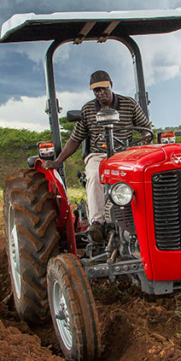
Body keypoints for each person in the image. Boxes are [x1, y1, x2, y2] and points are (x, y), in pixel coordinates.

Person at [43, 70, 152, 237]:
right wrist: (57, 161)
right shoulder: (87, 109)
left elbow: (145, 129)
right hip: (98, 155)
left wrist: (144, 144)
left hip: (125, 154)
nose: (101, 93)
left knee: (143, 175)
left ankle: (147, 218)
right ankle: (98, 223)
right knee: (94, 175)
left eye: (104, 88)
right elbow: (75, 139)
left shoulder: (129, 104)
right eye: (96, 90)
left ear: (111, 85)